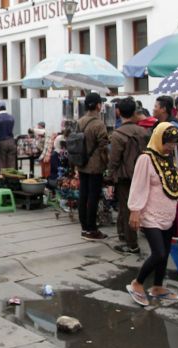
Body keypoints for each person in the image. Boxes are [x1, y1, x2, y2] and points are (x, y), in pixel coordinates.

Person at [125, 123, 178, 306]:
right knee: (158, 253)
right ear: (158, 139)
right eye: (168, 143)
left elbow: (174, 183)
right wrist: (135, 210)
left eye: (174, 143)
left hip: (169, 213)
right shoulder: (146, 159)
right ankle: (137, 283)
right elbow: (138, 186)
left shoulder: (168, 157)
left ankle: (157, 287)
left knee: (165, 253)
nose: (171, 146)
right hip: (151, 215)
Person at [109, 98, 148, 254]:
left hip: (125, 177)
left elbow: (114, 160)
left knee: (127, 209)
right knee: (137, 207)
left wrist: (110, 176)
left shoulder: (117, 135)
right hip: (142, 175)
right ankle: (124, 235)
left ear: (119, 112)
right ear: (134, 112)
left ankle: (132, 244)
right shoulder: (144, 132)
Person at [77, 93, 110, 240]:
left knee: (83, 195)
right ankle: (92, 229)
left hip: (82, 164)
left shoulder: (80, 121)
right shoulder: (99, 124)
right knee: (93, 196)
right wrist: (107, 163)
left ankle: (84, 227)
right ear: (98, 105)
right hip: (95, 166)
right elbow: (104, 147)